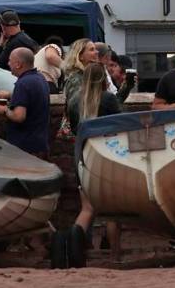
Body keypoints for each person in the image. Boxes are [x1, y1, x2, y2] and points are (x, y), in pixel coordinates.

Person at [68, 62, 122, 259]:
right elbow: (121, 124)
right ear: (104, 79)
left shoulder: (74, 100)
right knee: (112, 211)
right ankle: (115, 255)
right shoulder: (108, 99)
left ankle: (73, 252)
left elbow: (74, 129)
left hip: (83, 156)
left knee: (87, 209)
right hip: (108, 156)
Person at [0, 48, 51, 157]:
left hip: (24, 147)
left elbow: (19, 117)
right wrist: (11, 95)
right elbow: (32, 97)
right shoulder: (40, 78)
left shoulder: (23, 84)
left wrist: (5, 110)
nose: (8, 63)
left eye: (10, 60)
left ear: (18, 64)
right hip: (40, 143)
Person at [62, 38, 97, 107]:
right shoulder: (76, 79)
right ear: (80, 56)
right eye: (92, 49)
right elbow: (75, 106)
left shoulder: (90, 75)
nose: (96, 52)